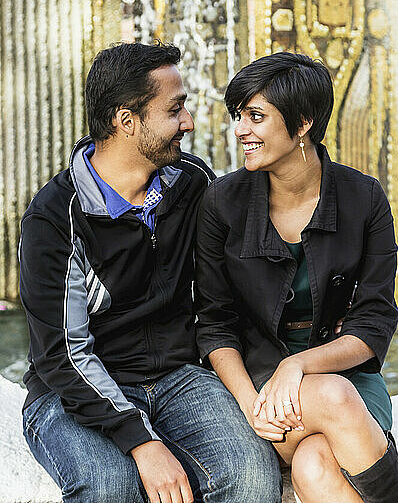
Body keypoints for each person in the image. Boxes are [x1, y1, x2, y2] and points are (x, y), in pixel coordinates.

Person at [19, 42, 282, 503]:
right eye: (175, 109)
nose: (189, 123)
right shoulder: (54, 218)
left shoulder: (191, 182)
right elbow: (63, 355)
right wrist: (142, 442)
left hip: (179, 377)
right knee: (110, 487)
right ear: (126, 121)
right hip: (73, 390)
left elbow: (245, 270)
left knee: (251, 479)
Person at [195, 52, 398, 502]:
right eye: (238, 116)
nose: (240, 131)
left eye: (255, 116)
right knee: (332, 398)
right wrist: (252, 404)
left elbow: (375, 321)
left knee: (314, 465)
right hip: (258, 385)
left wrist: (300, 365)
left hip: (342, 374)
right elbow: (214, 324)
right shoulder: (222, 203)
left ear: (303, 121)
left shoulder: (363, 198)